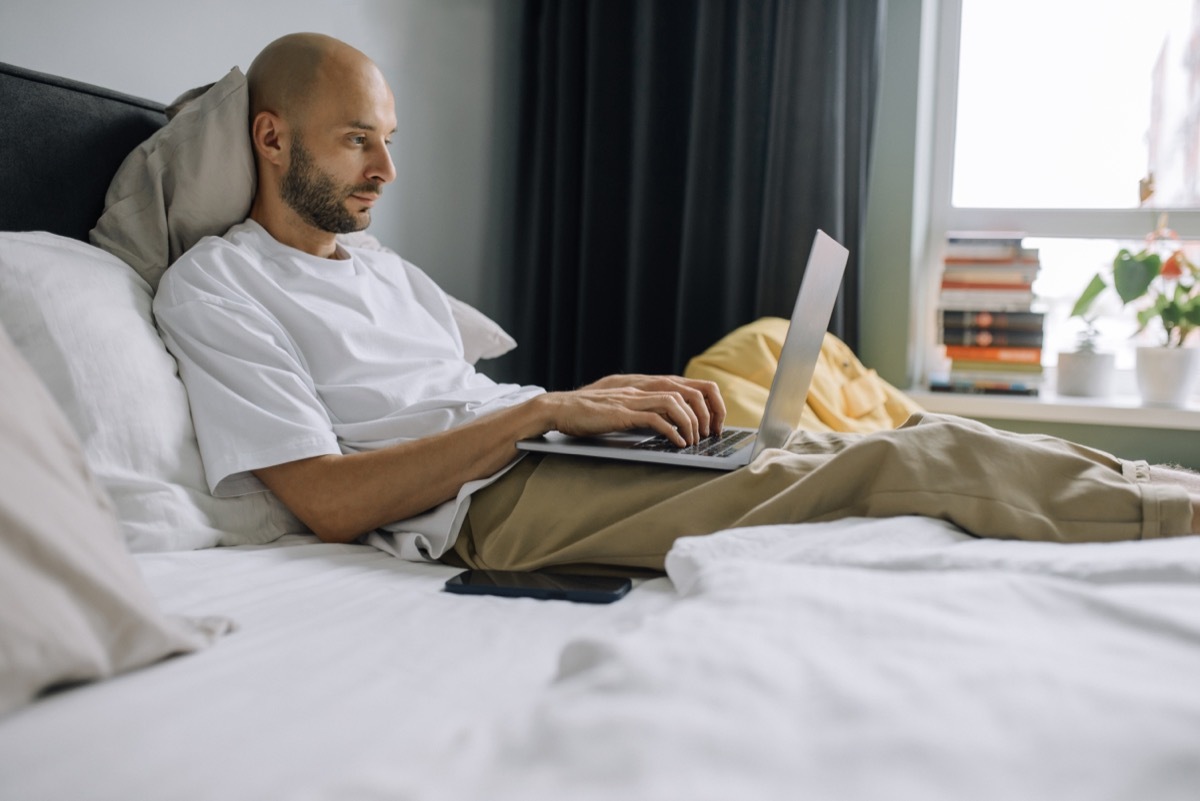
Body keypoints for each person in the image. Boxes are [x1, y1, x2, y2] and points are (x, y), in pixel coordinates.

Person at [154, 33, 1200, 573]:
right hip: (493, 515)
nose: (386, 168)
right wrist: (540, 412)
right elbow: (327, 505)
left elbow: (457, 397)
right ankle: (1174, 512)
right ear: (272, 137)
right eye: (356, 141)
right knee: (899, 459)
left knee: (818, 447)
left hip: (529, 462)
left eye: (391, 140)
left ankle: (1148, 482)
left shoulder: (380, 268)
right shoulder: (218, 284)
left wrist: (575, 401)